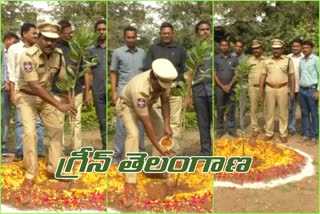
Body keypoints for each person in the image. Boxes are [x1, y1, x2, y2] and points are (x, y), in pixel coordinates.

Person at [17, 22, 77, 204]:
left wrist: (69, 100)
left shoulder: (58, 55)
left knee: (57, 129)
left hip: (46, 97)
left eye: (53, 40)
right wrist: (59, 106)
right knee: (29, 133)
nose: (50, 43)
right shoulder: (27, 55)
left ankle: (54, 169)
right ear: (39, 38)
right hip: (27, 96)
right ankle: (30, 175)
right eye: (46, 39)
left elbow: (63, 79)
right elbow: (34, 86)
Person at [116, 58, 175, 200]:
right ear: (153, 77)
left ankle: (153, 169)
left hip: (147, 105)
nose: (162, 89)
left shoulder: (164, 81)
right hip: (128, 106)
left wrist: (167, 125)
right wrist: (160, 147)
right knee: (134, 134)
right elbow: (147, 123)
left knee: (161, 129)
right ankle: (130, 180)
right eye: (160, 86)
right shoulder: (140, 89)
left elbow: (165, 102)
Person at [144, 22, 188, 154]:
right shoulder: (153, 50)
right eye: (164, 33)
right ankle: (159, 154)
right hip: (158, 90)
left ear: (173, 34)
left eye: (169, 33)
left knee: (175, 121)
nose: (166, 35)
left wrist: (183, 89)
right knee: (159, 122)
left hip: (175, 89)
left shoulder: (180, 50)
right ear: (160, 34)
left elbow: (185, 71)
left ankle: (174, 154)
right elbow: (148, 69)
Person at [7, 23, 44, 161]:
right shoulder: (14, 49)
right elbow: (11, 71)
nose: (36, 35)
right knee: (20, 122)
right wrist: (12, 92)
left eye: (37, 33)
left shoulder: (39, 49)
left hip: (38, 90)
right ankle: (20, 151)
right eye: (34, 33)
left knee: (39, 122)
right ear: (24, 34)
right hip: (20, 90)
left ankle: (39, 151)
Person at [110, 26, 145, 164]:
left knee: (141, 123)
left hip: (140, 95)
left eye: (133, 37)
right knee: (121, 125)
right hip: (123, 95)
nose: (131, 39)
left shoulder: (143, 53)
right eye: (128, 37)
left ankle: (140, 155)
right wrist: (114, 92)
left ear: (136, 37)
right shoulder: (117, 53)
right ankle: (117, 156)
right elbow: (113, 72)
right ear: (125, 38)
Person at [52, 20, 87, 152]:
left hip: (76, 90)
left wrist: (83, 89)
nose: (72, 35)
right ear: (60, 33)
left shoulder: (76, 48)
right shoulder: (54, 49)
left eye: (72, 32)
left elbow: (82, 70)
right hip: (58, 92)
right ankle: (58, 151)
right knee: (59, 122)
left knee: (76, 121)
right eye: (69, 33)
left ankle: (76, 150)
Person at [259, 39, 295, 143]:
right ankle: (269, 132)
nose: (276, 51)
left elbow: (292, 77)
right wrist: (261, 88)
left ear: (282, 49)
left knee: (283, 112)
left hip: (283, 88)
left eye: (278, 49)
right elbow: (263, 75)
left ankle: (283, 133)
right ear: (272, 49)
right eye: (274, 49)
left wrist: (292, 91)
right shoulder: (266, 61)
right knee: (269, 112)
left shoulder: (287, 60)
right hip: (269, 88)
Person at [185, 20, 212, 156]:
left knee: (216, 121)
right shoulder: (193, 52)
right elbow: (190, 74)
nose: (205, 31)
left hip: (213, 90)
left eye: (207, 29)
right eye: (202, 29)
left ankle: (216, 149)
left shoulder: (215, 50)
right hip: (199, 91)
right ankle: (206, 151)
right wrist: (187, 95)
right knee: (203, 123)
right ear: (197, 33)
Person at [84, 19, 106, 149]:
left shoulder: (114, 50)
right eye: (99, 30)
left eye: (104, 29)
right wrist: (87, 93)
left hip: (114, 91)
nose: (102, 32)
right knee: (102, 121)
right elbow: (88, 72)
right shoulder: (91, 51)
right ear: (95, 32)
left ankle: (121, 150)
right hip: (98, 90)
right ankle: (105, 148)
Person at [214, 39, 239, 139]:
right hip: (219, 88)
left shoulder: (234, 59)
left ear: (229, 47)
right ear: (220, 47)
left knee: (231, 108)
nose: (224, 47)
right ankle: (219, 130)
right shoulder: (216, 59)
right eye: (222, 45)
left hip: (231, 88)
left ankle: (231, 129)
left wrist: (229, 85)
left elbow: (236, 73)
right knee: (220, 108)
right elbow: (214, 74)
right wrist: (222, 86)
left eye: (226, 45)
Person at [298, 40, 318, 146]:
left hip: (312, 90)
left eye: (307, 47)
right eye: (303, 48)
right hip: (302, 90)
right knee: (304, 113)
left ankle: (314, 137)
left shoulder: (316, 60)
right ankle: (306, 135)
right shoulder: (301, 60)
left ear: (311, 48)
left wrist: (318, 90)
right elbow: (301, 75)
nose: (304, 49)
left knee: (314, 114)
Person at [1, 32, 19, 154]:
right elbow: (3, 68)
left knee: (6, 117)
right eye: (13, 42)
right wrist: (4, 81)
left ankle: (3, 144)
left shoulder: (10, 52)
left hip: (7, 89)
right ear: (7, 40)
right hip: (3, 87)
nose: (14, 45)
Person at [247, 40, 266, 137]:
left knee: (266, 108)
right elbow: (245, 74)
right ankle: (255, 128)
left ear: (261, 49)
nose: (256, 50)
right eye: (254, 48)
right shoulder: (249, 60)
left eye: (258, 48)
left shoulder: (266, 60)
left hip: (265, 88)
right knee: (253, 109)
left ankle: (267, 127)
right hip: (252, 88)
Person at [287, 38, 304, 136]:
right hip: (291, 88)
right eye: (293, 46)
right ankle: (292, 128)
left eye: (297, 46)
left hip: (302, 88)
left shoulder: (305, 57)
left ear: (301, 47)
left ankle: (304, 129)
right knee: (291, 109)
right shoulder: (288, 57)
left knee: (304, 110)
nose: (295, 48)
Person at [231, 40, 248, 132]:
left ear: (242, 48)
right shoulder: (229, 57)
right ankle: (232, 126)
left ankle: (242, 126)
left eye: (240, 46)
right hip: (231, 85)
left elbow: (247, 72)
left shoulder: (245, 58)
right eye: (237, 46)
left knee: (242, 106)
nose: (238, 48)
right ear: (234, 47)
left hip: (242, 85)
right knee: (232, 106)